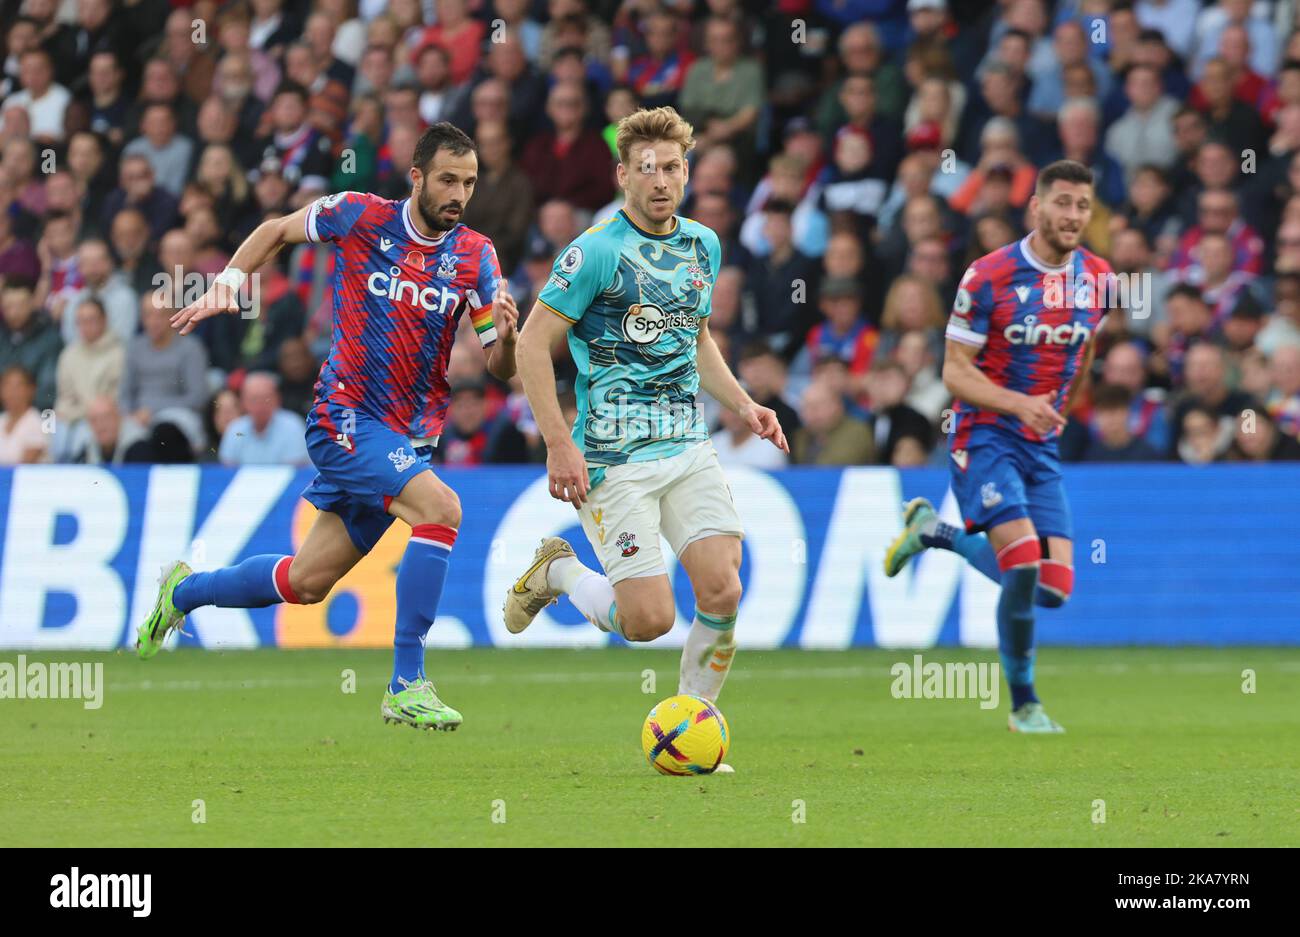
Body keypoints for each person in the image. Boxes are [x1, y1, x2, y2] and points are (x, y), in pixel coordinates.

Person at [141, 122, 521, 732]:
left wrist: (506, 337)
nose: (460, 194)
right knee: (441, 509)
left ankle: (183, 592)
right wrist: (225, 288)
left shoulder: (476, 255)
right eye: (448, 180)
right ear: (417, 176)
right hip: (343, 416)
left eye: (470, 183)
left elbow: (500, 369)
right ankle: (406, 682)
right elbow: (275, 231)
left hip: (403, 437)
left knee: (306, 581)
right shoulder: (358, 215)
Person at [507, 107, 787, 756]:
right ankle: (559, 572)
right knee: (649, 619)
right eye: (647, 169)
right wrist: (558, 441)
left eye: (672, 167)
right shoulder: (597, 251)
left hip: (687, 444)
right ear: (623, 175)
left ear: (686, 172)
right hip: (612, 456)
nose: (661, 180)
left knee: (722, 585)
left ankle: (694, 727)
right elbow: (531, 344)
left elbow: (696, 337)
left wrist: (745, 405)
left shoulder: (702, 244)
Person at [884, 160, 1114, 734]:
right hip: (983, 433)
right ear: (1035, 207)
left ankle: (934, 533)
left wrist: (1060, 408)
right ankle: (1024, 705)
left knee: (1055, 589)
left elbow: (1082, 353)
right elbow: (955, 373)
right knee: (1024, 563)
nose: (1072, 215)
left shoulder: (1100, 279)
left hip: (1041, 441)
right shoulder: (987, 275)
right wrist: (1018, 404)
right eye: (1062, 202)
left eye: (1082, 206)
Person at [218, 371, 310, 466]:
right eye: (254, 399)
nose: (260, 405)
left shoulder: (293, 426)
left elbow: (296, 472)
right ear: (243, 402)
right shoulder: (235, 429)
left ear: (278, 399)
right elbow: (227, 472)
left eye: (266, 399)